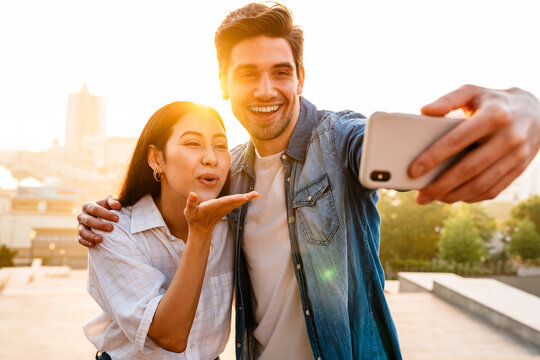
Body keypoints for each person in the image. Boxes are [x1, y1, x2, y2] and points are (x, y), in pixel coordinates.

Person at [78, 3, 540, 359]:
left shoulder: (339, 142)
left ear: (300, 78)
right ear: (222, 83)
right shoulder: (227, 171)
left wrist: (525, 110)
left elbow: (381, 146)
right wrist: (104, 212)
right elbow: (164, 200)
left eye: (280, 72)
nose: (265, 90)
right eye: (246, 74)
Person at [82, 101, 257, 359]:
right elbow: (170, 336)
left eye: (220, 145)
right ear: (156, 159)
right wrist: (200, 232)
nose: (211, 158)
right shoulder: (111, 230)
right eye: (192, 144)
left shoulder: (233, 223)